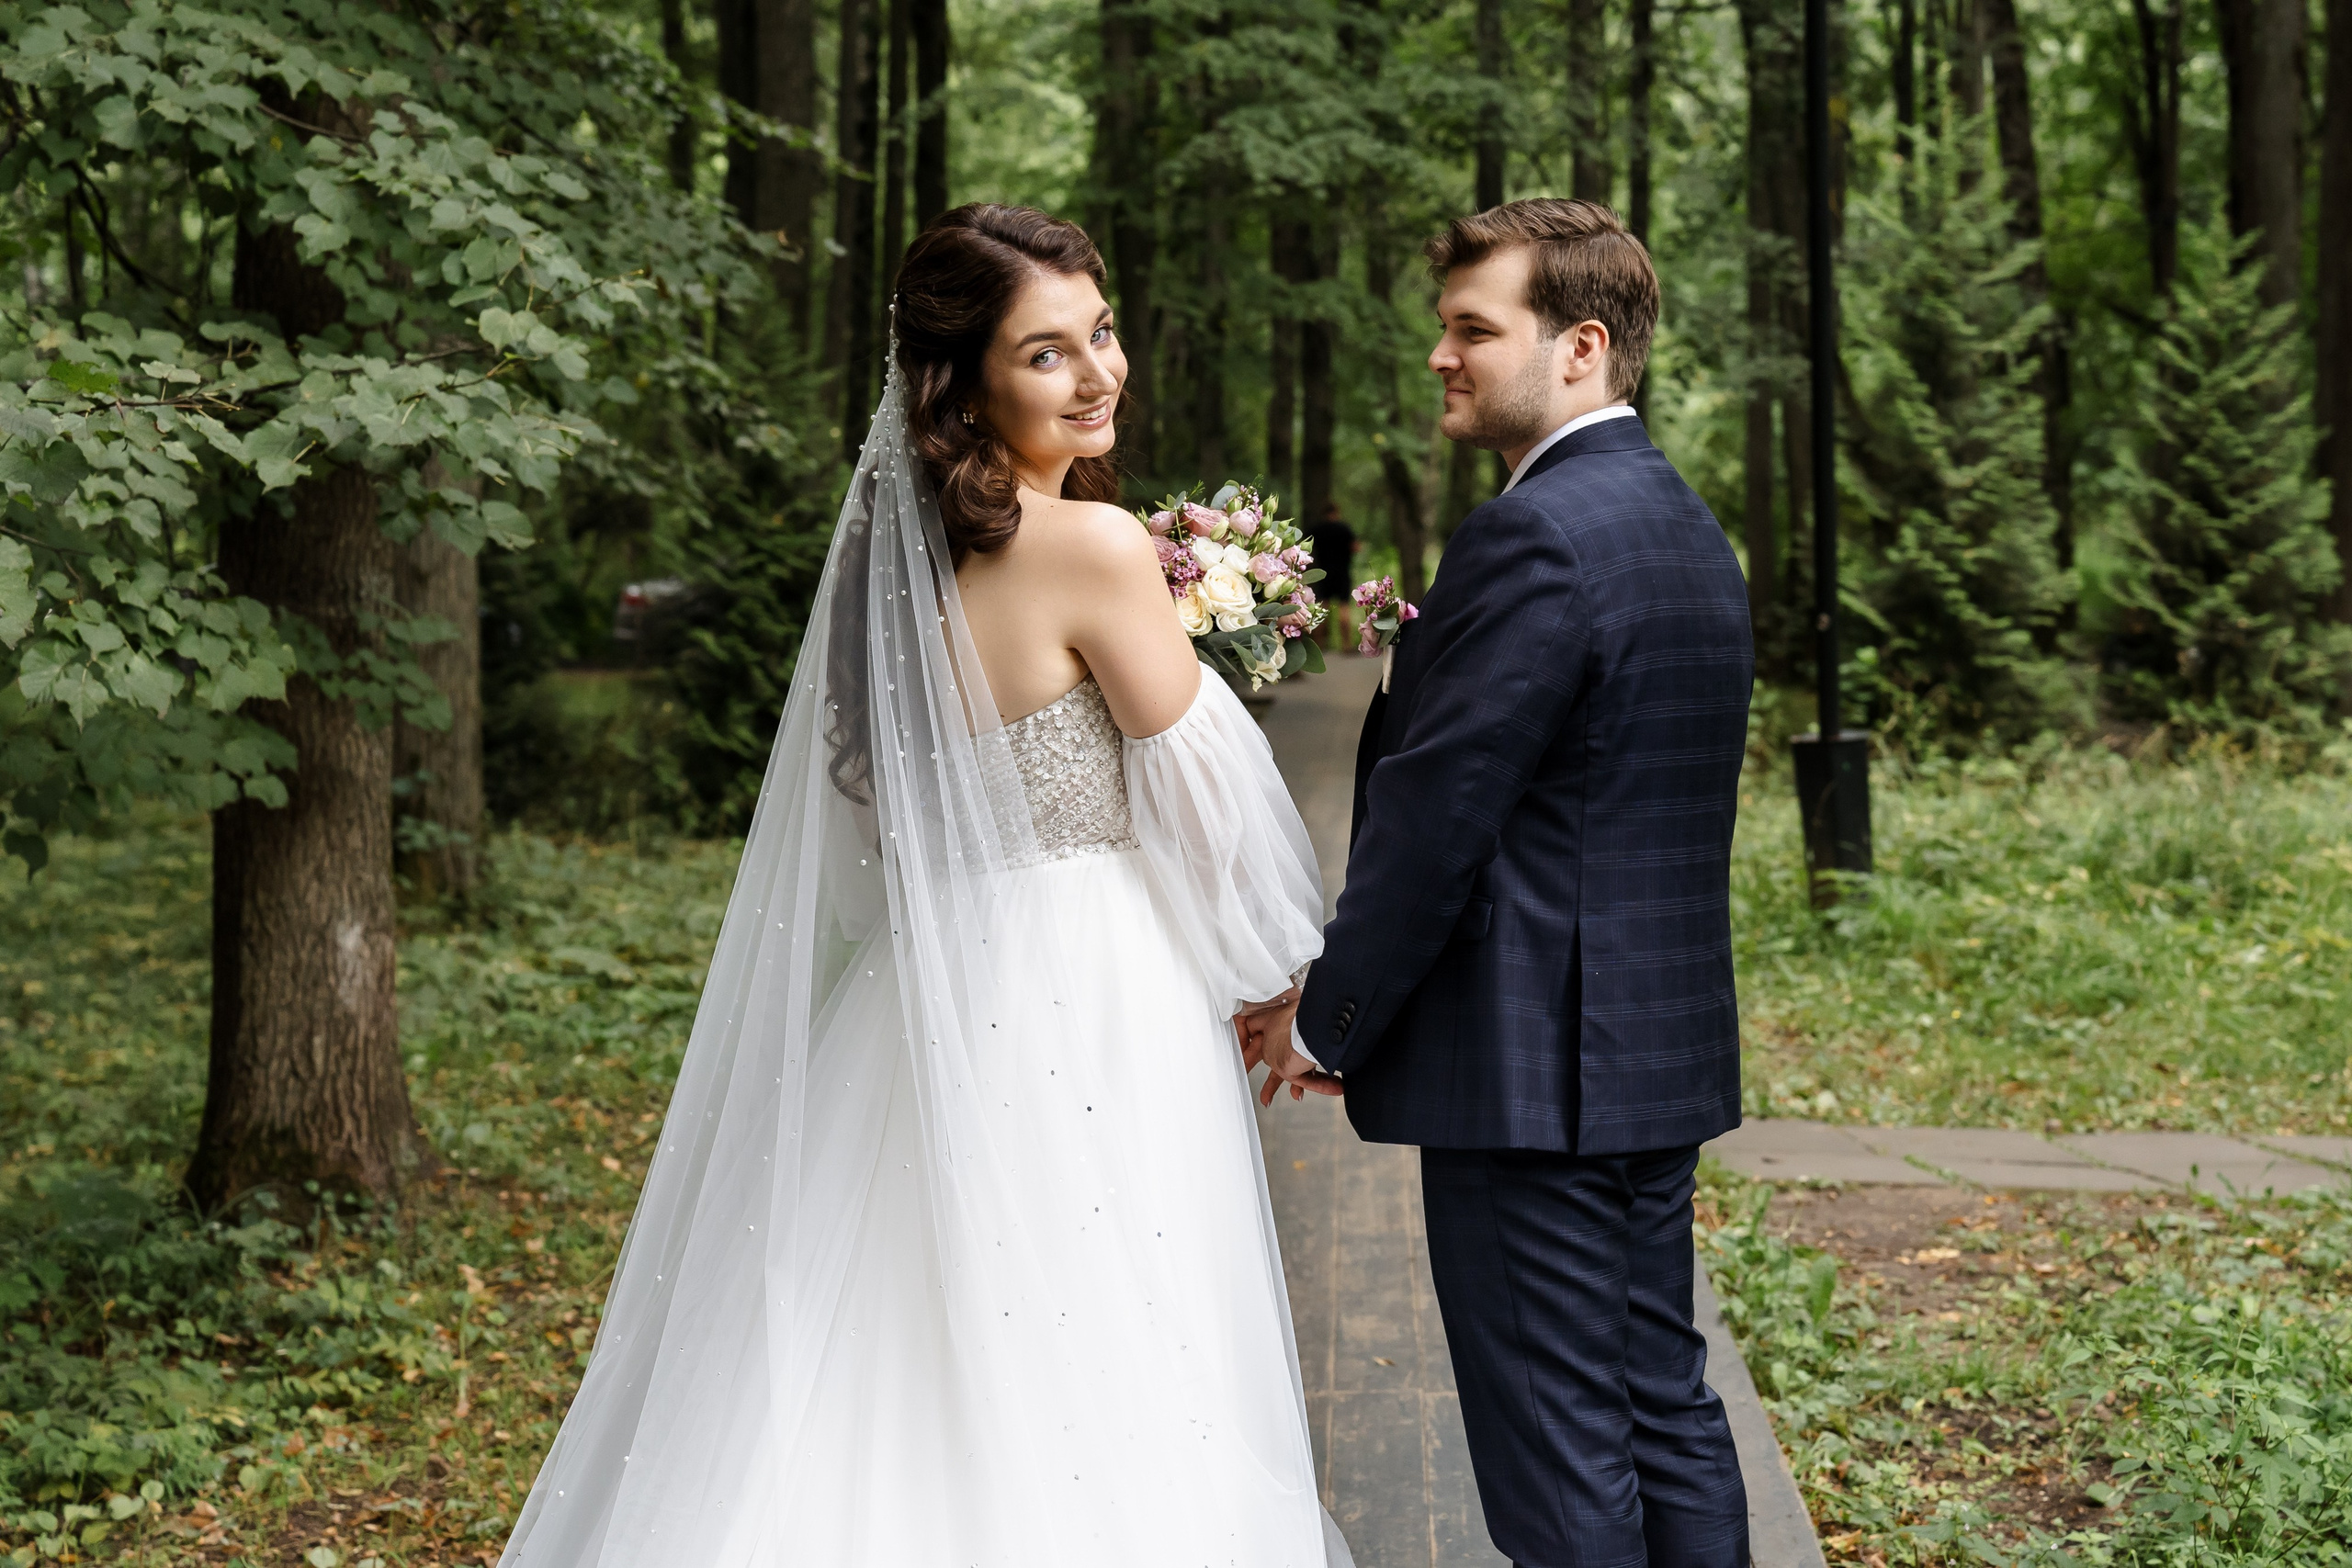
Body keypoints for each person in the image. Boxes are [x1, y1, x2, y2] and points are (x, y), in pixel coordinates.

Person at [501, 205, 1351, 1568]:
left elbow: (865, 813)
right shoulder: (1102, 550)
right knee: (1114, 1343)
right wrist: (1284, 988)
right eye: (1047, 353)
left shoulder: (875, 573)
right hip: (1097, 983)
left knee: (888, 1340)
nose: (1098, 373)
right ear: (961, 385)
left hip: (928, 978)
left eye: (1104, 331)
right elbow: (1223, 821)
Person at [1247, 198, 1754, 1567]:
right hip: (1650, 1050)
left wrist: (1325, 1014)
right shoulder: (1682, 527)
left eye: (1475, 327)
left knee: (1559, 1450)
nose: (1441, 355)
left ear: (1580, 347)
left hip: (1534, 1073)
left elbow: (1436, 813)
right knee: (1662, 1405)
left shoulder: (1533, 537)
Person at [1306, 502, 1357, 649]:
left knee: (1322, 608)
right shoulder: (1344, 528)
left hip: (1324, 573)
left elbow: (1306, 546)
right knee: (1344, 607)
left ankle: (1318, 644)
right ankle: (1346, 645)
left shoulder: (1317, 529)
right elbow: (1355, 547)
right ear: (1337, 512)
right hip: (1342, 572)